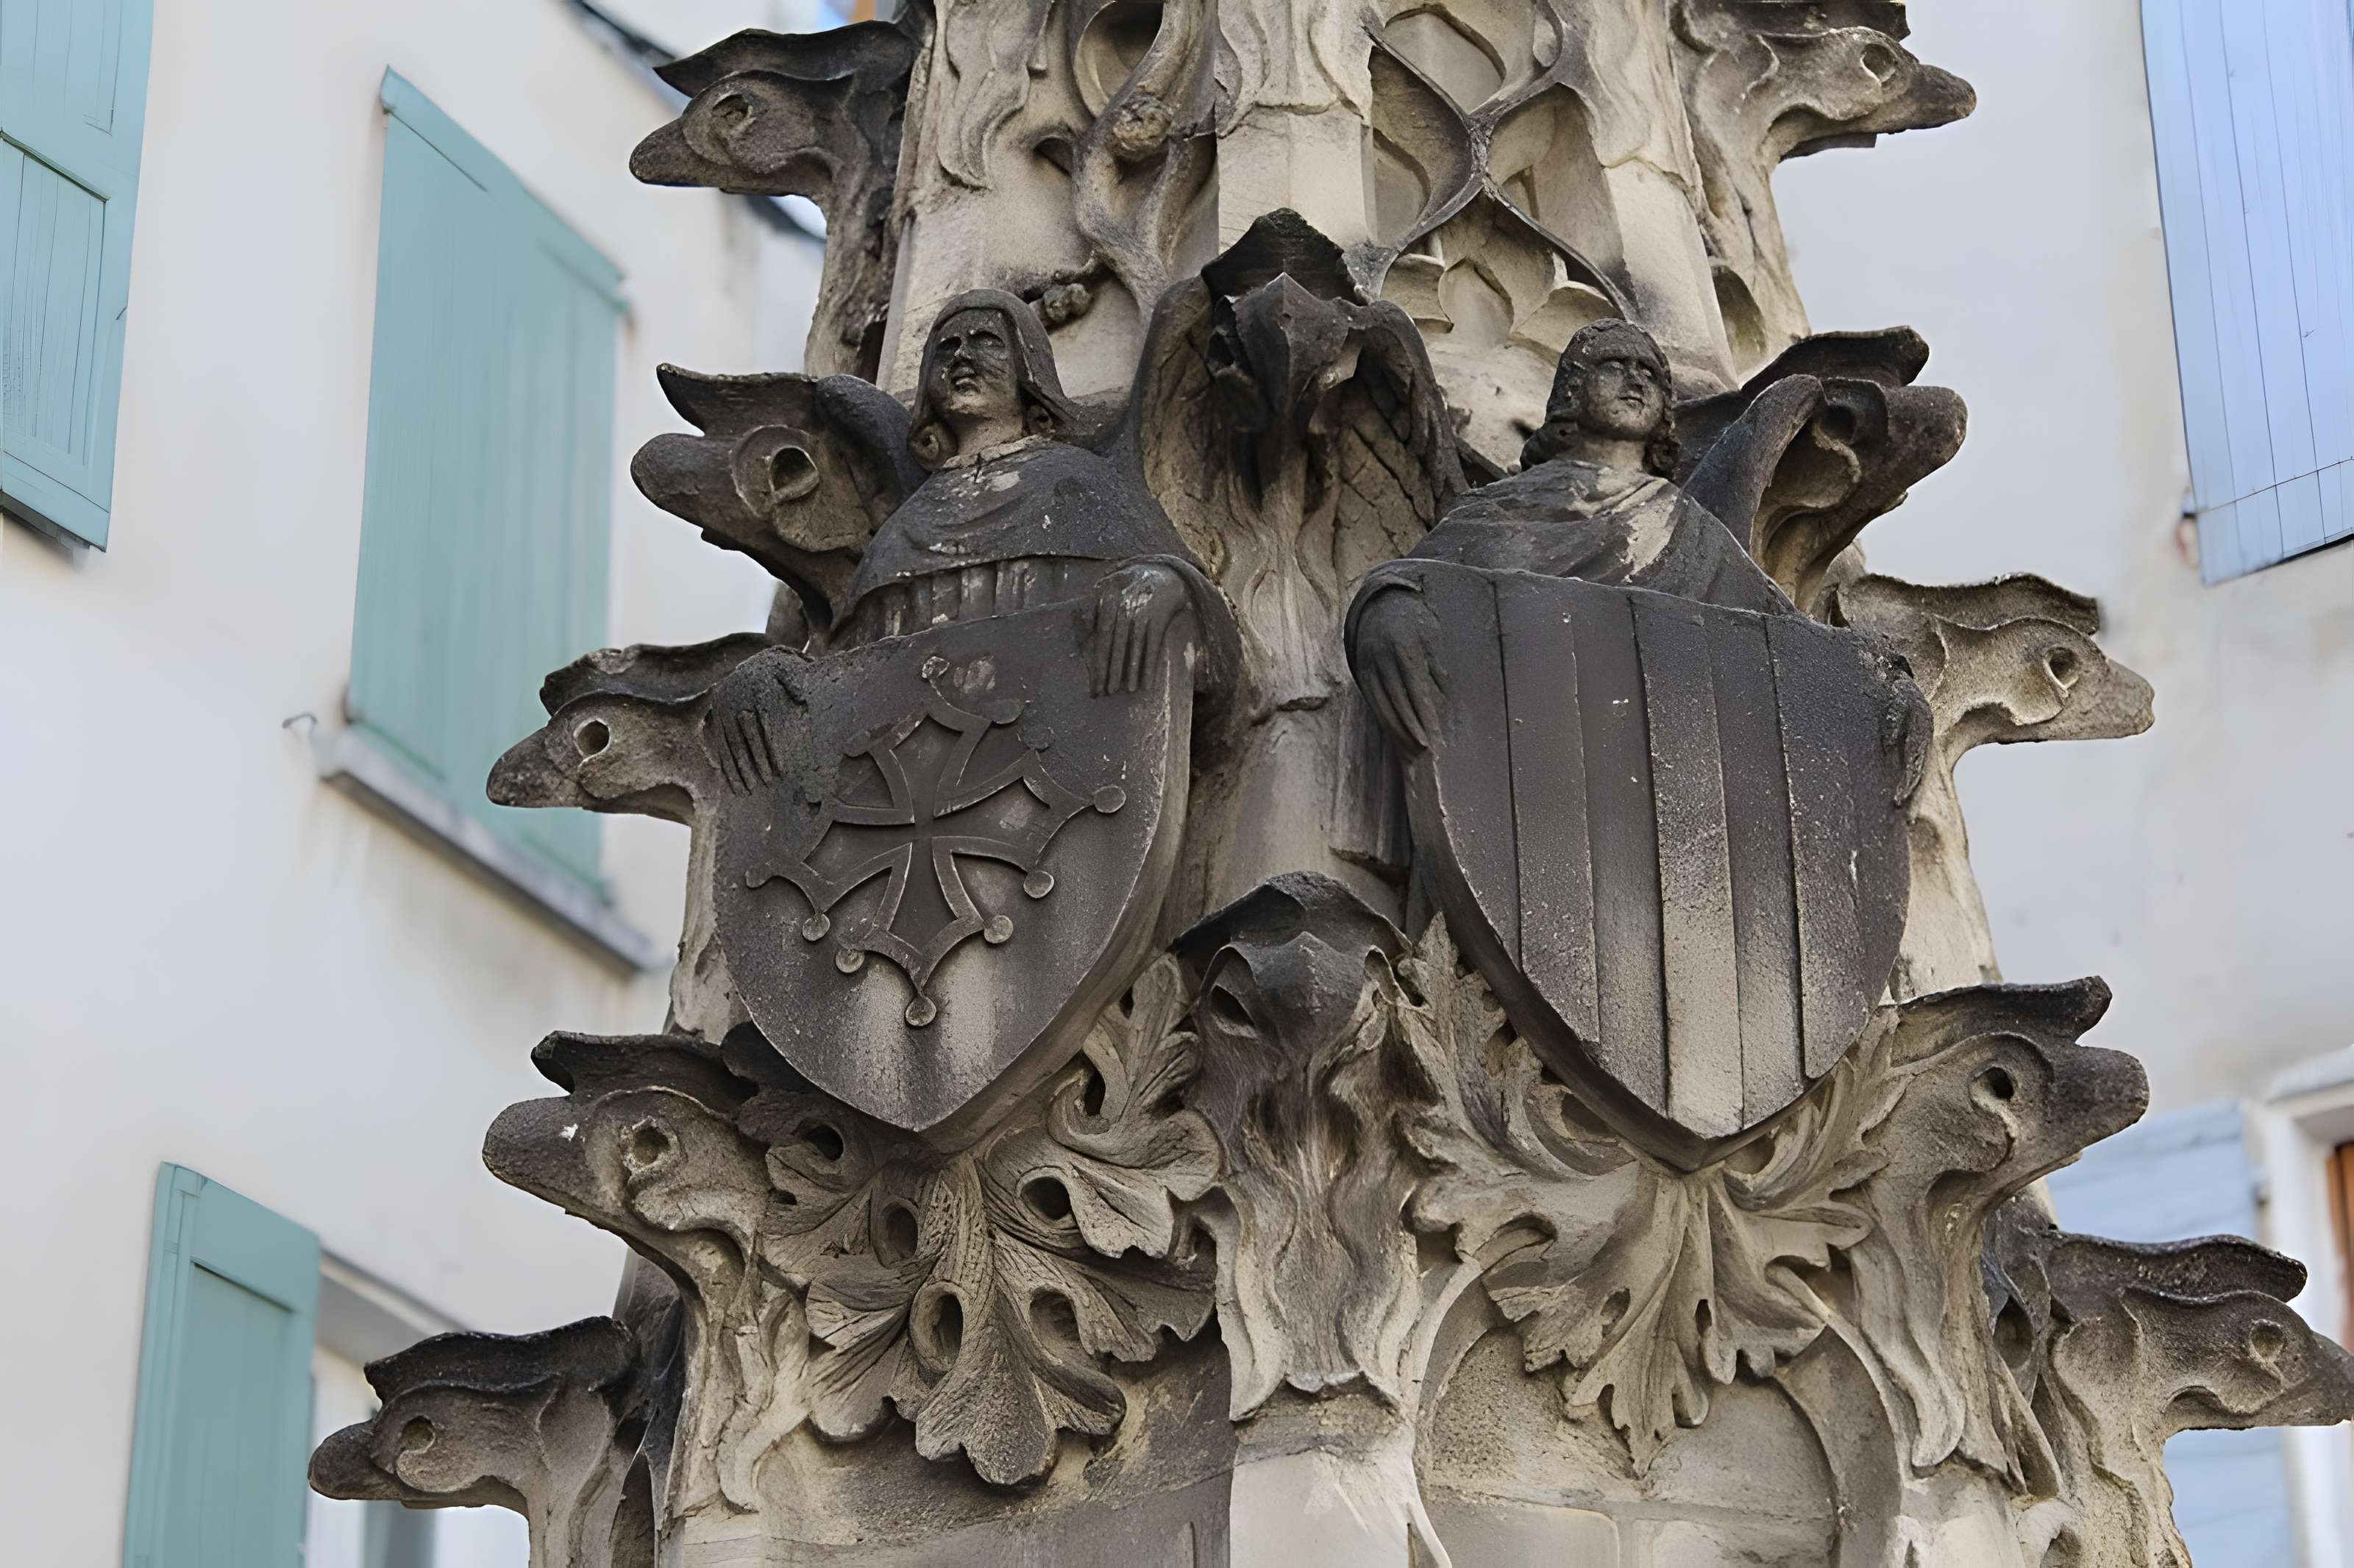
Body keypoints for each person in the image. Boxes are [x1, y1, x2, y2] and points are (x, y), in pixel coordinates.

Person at [1352, 318, 1816, 751]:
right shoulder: (1499, 507)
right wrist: (1387, 616)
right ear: (1573, 388)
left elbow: (1786, 637)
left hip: (1648, 751)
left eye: (1650, 374)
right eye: (1614, 366)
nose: (1635, 380)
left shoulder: (1690, 531)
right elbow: (1413, 582)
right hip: (1521, 740)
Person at [831, 290, 1227, 697]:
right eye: (946, 347)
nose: (962, 357)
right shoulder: (903, 528)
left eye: (987, 341)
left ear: (1027, 368)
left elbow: (1214, 631)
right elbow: (845, 675)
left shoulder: (1076, 482)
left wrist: (1166, 584)